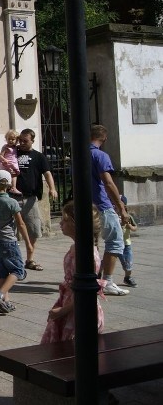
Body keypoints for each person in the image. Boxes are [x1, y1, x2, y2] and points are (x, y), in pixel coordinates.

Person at [41, 201, 105, 343]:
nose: (60, 223)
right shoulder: (76, 248)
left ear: (76, 224)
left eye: (64, 220)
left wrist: (62, 311)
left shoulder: (86, 255)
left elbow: (85, 294)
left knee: (71, 349)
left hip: (78, 309)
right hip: (70, 302)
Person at [0, 170, 32, 314]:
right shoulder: (12, 202)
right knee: (17, 270)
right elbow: (21, 224)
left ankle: (5, 302)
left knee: (2, 271)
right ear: (8, 186)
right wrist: (28, 243)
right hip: (8, 240)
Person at [89, 124, 130, 296]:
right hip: (102, 205)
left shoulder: (78, 154)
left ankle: (92, 277)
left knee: (92, 244)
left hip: (86, 204)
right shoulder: (100, 155)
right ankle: (108, 281)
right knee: (115, 241)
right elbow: (108, 182)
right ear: (104, 138)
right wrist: (121, 207)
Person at [14, 128, 58, 272]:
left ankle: (30, 259)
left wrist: (52, 188)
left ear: (32, 140)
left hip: (30, 198)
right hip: (13, 197)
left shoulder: (39, 157)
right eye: (20, 140)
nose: (22, 143)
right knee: (9, 230)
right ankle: (11, 258)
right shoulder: (13, 153)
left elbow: (47, 174)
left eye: (25, 141)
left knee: (33, 229)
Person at [119, 195, 138, 287]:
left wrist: (130, 226)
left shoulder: (128, 217)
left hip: (126, 244)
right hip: (116, 243)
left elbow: (135, 227)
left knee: (128, 262)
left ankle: (128, 277)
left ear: (124, 205)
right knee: (108, 259)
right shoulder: (113, 216)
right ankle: (100, 273)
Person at [0, 129, 23, 196]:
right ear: (6, 139)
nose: (10, 141)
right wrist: (4, 160)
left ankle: (13, 187)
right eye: (9, 139)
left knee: (14, 174)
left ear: (16, 140)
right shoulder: (5, 147)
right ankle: (9, 188)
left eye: (13, 139)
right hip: (7, 164)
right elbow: (0, 155)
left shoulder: (15, 147)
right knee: (9, 175)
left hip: (13, 163)